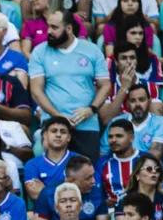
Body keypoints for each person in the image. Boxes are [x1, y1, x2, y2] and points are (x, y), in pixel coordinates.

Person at [28, 10, 110, 159]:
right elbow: (36, 91)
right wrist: (58, 116)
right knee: (55, 175)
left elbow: (105, 85)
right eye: (48, 27)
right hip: (54, 126)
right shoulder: (39, 52)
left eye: (54, 27)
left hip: (87, 123)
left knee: (86, 172)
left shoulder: (92, 50)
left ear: (69, 29)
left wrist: (91, 109)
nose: (49, 32)